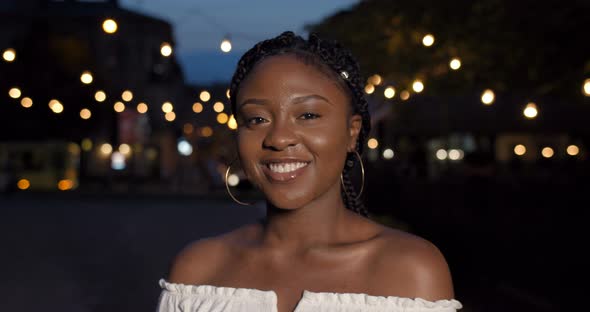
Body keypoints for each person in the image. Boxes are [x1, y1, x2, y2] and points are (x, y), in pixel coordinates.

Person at [156, 31, 462, 312]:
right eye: (257, 119)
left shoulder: (411, 272)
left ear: (352, 132)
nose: (278, 138)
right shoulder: (197, 272)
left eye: (308, 115)